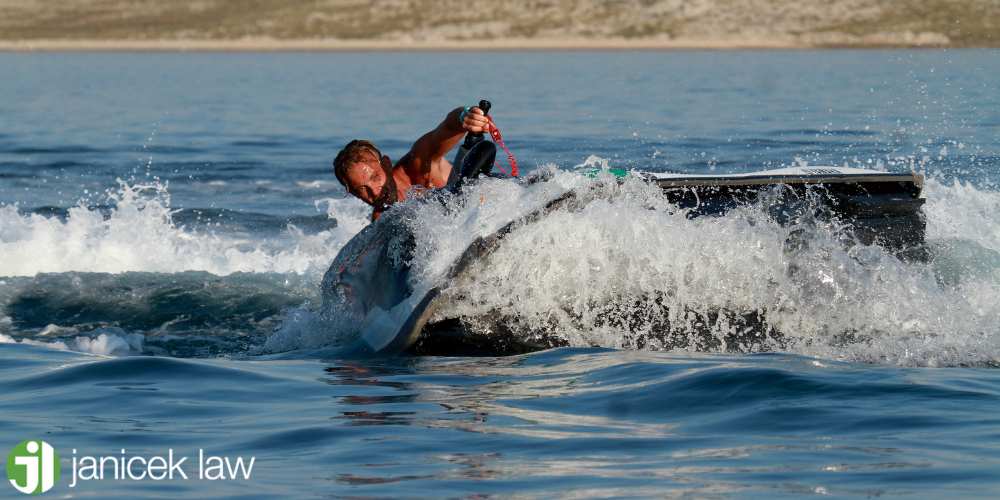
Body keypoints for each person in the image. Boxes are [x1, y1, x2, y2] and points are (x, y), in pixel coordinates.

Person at [333, 106, 493, 221]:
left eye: (375, 177)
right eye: (362, 190)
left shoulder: (418, 163)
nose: (374, 193)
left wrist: (465, 117)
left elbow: (447, 128)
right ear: (354, 195)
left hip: (490, 205)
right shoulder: (382, 220)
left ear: (387, 164)